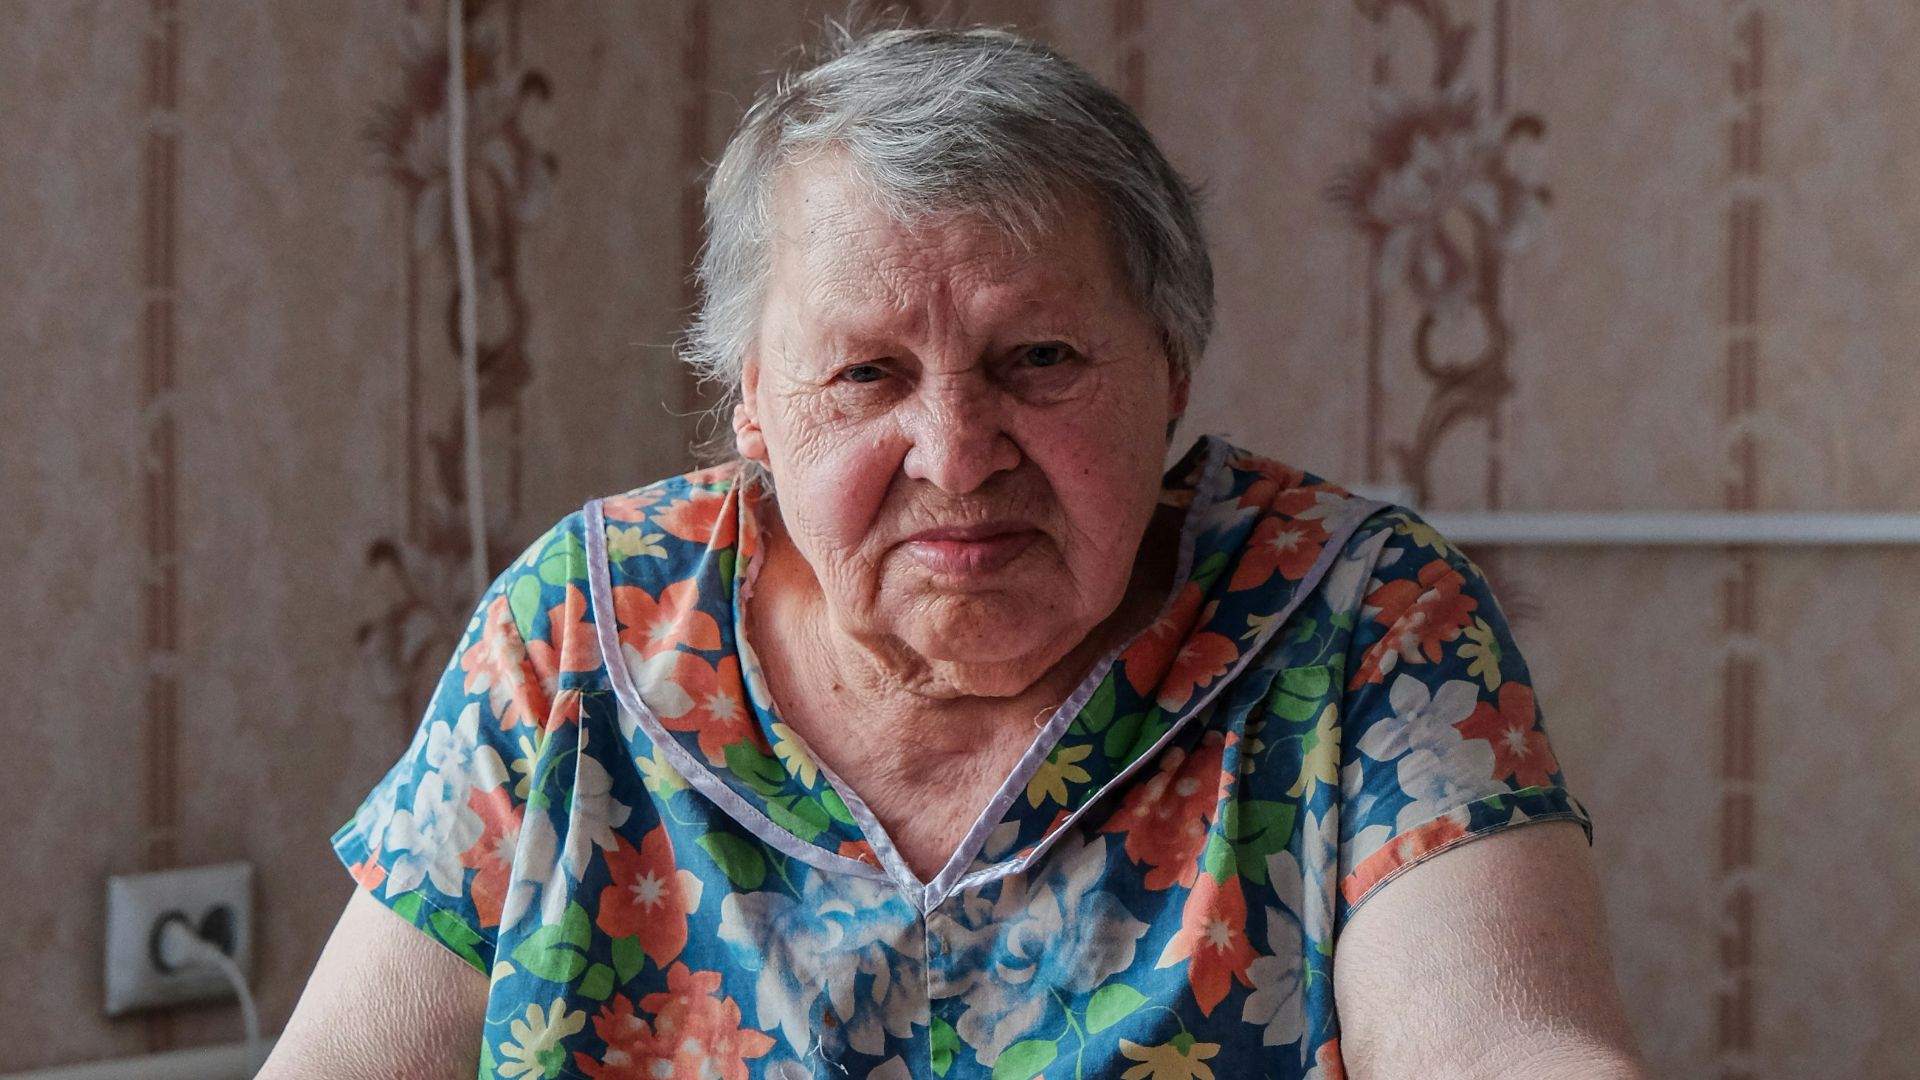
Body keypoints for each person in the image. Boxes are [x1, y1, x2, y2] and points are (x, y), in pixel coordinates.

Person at [264, 25, 1646, 1080]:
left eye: (1038, 357)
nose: (957, 448)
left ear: (1169, 368)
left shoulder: (1361, 617)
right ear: (750, 399)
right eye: (866, 374)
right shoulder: (583, 623)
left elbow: (1499, 1042)